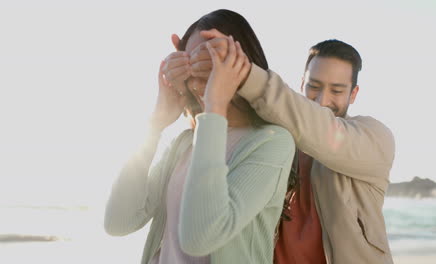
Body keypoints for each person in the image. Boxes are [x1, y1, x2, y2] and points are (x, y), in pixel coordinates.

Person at [104, 9, 295, 264]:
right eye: (189, 62)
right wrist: (156, 124)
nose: (199, 73)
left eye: (211, 59)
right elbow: (118, 222)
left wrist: (216, 104)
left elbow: (200, 237)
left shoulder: (272, 143)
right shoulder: (184, 143)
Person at [198, 31, 395, 264]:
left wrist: (246, 74)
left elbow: (320, 128)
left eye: (337, 91)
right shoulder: (276, 141)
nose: (322, 100)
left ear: (353, 94)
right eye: (314, 86)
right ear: (302, 84)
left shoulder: (374, 138)